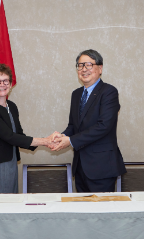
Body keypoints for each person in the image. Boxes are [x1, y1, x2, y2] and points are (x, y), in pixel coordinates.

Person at [52, 49, 126, 192]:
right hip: (80, 167)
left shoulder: (109, 92)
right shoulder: (76, 94)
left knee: (101, 213)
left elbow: (104, 126)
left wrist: (71, 141)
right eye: (80, 65)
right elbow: (73, 126)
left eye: (89, 65)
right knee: (83, 212)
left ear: (100, 68)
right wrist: (63, 137)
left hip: (102, 168)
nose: (84, 69)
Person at [0, 64, 56, 194]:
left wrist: (46, 141)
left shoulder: (12, 106)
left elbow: (19, 134)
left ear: (10, 84)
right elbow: (9, 136)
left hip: (10, 162)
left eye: (5, 81)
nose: (2, 84)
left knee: (10, 204)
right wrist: (45, 141)